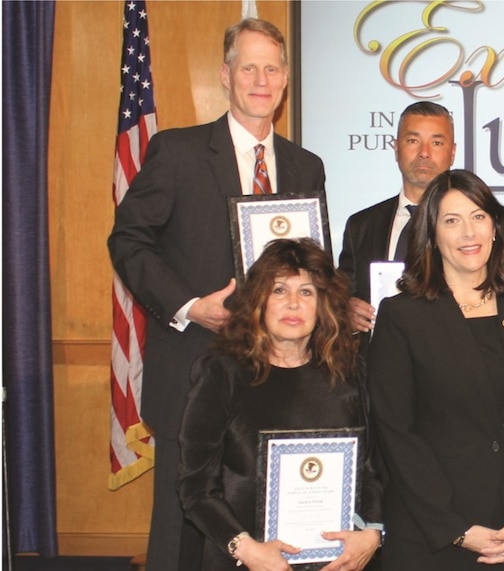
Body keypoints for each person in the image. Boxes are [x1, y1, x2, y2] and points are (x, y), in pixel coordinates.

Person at [106, 18, 326, 571]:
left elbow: (313, 265)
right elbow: (128, 239)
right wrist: (189, 306)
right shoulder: (177, 153)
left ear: (284, 82)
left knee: (271, 528)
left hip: (281, 380)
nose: (260, 79)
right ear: (227, 75)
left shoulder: (306, 165)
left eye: (271, 68)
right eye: (248, 67)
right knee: (184, 535)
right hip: (193, 368)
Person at [368, 169, 504, 569]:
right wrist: (456, 528)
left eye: (478, 217)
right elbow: (395, 433)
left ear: (495, 228)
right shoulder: (401, 316)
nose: (468, 233)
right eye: (452, 220)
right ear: (431, 235)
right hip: (433, 539)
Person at [177, 239, 382, 571]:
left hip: (337, 563)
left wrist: (373, 533)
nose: (293, 304)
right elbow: (196, 486)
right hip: (243, 561)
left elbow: (373, 472)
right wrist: (245, 549)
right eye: (279, 291)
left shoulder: (349, 373)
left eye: (306, 292)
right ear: (258, 301)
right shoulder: (223, 372)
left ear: (324, 305)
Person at [339, 101, 457, 334]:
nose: (424, 153)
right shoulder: (361, 226)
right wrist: (345, 313)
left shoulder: (481, 225)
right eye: (413, 141)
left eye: (436, 142)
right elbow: (341, 298)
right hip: (378, 365)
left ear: (452, 152)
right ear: (396, 148)